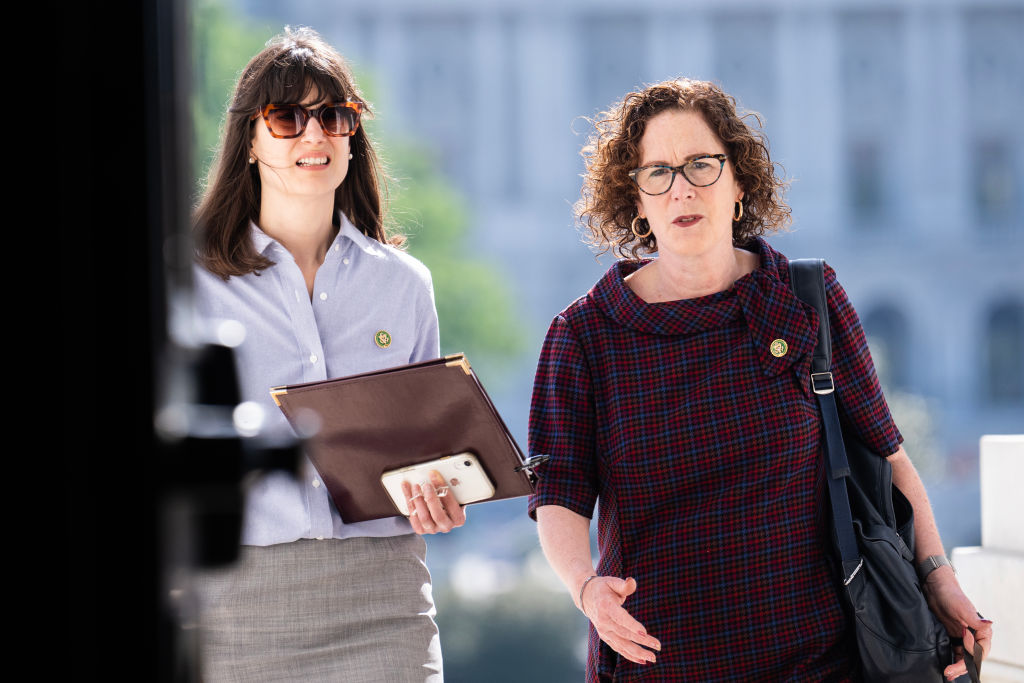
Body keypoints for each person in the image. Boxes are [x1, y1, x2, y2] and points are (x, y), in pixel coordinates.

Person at [528, 78, 991, 681]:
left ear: (740, 181)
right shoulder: (584, 335)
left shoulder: (809, 298)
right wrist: (586, 589)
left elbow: (888, 455)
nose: (681, 188)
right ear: (635, 200)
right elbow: (558, 492)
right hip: (659, 662)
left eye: (701, 164)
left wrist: (939, 577)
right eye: (657, 172)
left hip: (821, 659)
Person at [191, 27, 464, 682]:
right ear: (249, 142)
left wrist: (443, 492)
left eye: (333, 117)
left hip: (385, 598)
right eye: (286, 118)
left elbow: (423, 449)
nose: (313, 136)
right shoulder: (191, 286)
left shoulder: (404, 284)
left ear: (352, 138)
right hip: (237, 599)